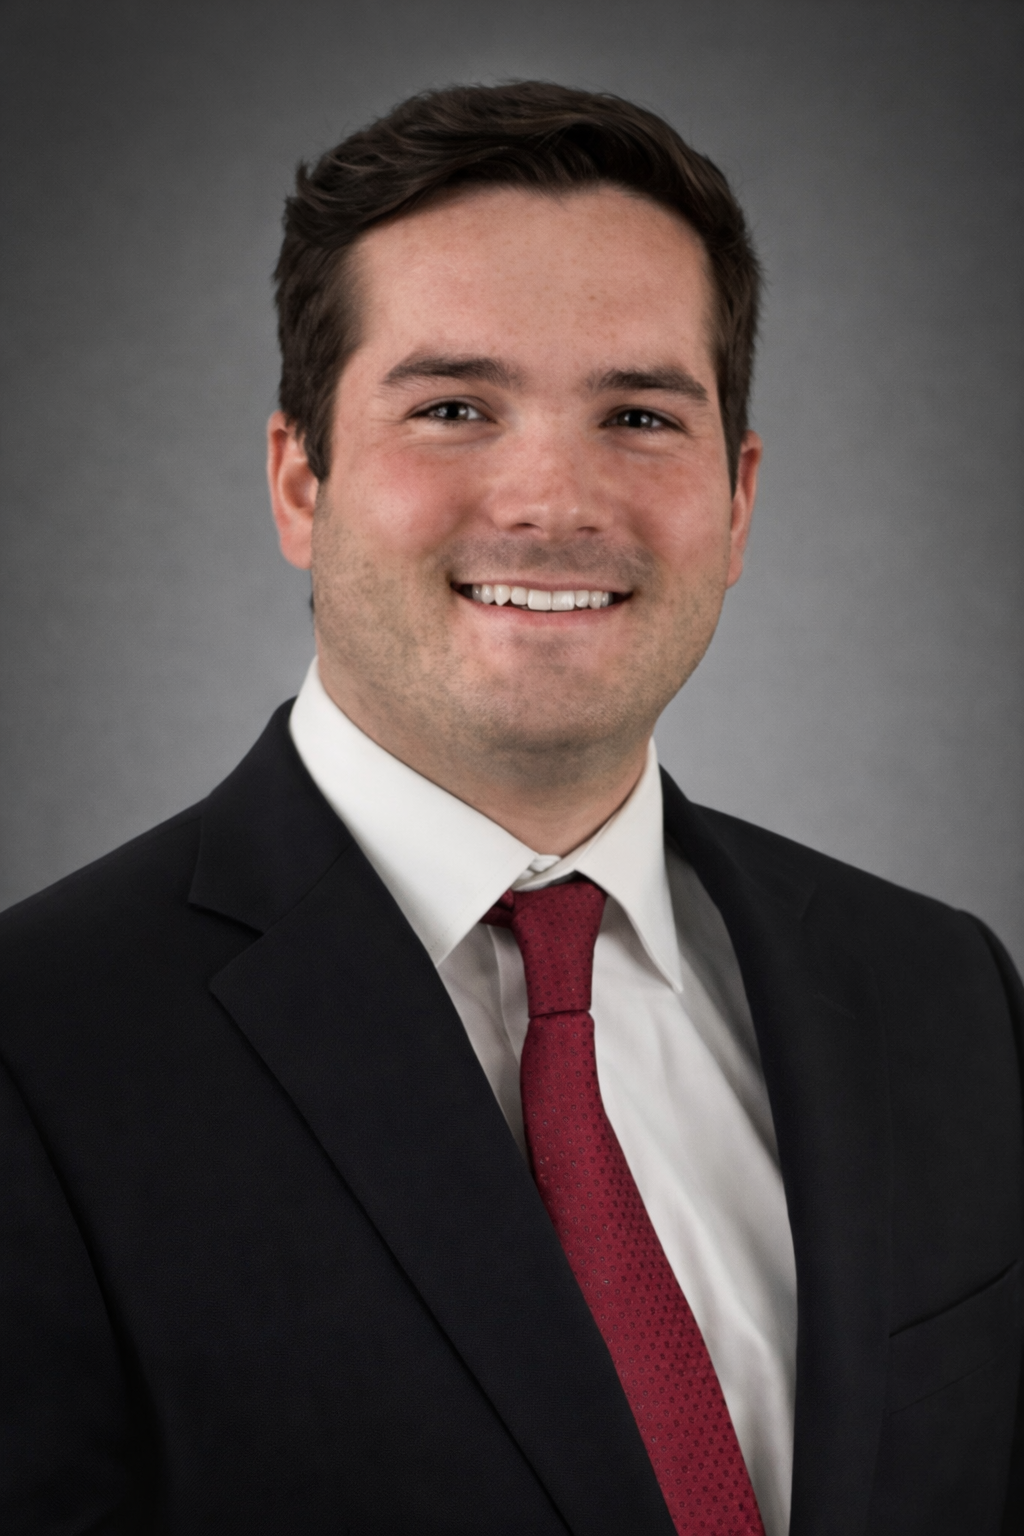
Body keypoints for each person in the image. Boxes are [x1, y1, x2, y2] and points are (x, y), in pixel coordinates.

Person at [1, 81, 1021, 1536]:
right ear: (301, 479)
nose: (553, 496)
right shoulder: (40, 1050)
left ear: (737, 502)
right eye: (455, 407)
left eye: (638, 413)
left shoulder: (946, 997)